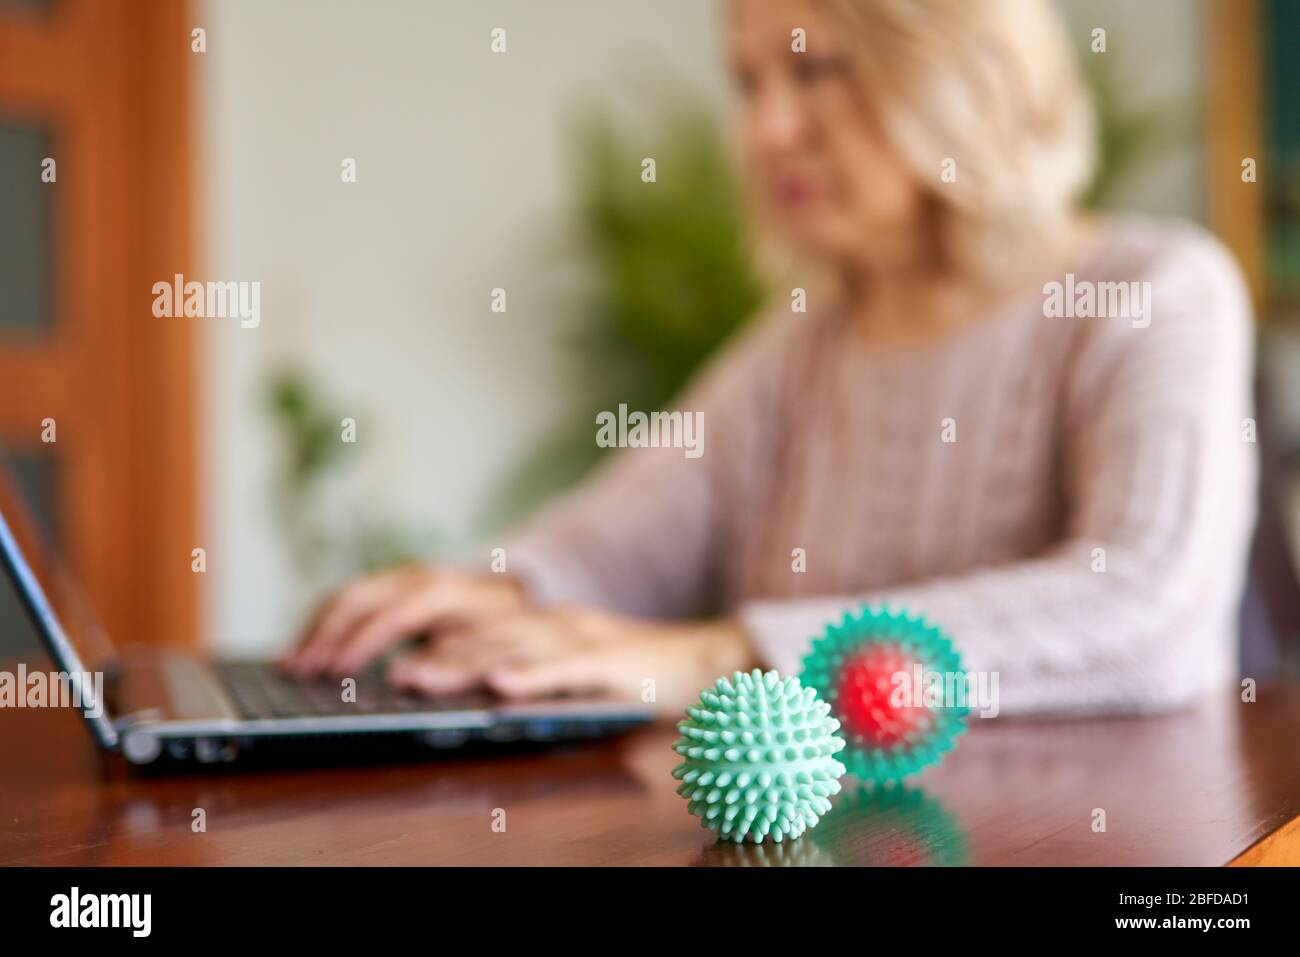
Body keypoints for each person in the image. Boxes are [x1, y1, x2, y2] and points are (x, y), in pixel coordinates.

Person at [284, 0, 1256, 719]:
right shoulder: (803, 342)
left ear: (960, 69)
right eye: (747, 84)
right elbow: (618, 543)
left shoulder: (1157, 290)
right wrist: (496, 588)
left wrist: (728, 657)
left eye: (812, 70)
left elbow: (1146, 610)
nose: (764, 131)